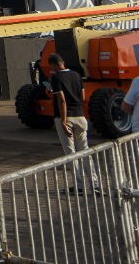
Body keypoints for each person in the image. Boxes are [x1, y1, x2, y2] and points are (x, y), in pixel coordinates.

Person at [46, 53, 98, 192]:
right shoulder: (76, 75)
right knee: (85, 150)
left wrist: (63, 121)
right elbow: (82, 96)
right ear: (62, 62)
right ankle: (94, 184)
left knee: (71, 152)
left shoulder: (56, 77)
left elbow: (61, 100)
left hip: (66, 117)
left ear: (53, 64)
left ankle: (79, 186)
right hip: (80, 116)